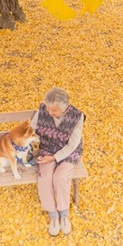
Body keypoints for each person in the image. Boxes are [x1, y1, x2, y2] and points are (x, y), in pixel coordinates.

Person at [30, 87, 84, 237]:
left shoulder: (77, 116)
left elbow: (72, 145)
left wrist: (55, 157)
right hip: (47, 149)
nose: (49, 112)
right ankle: (53, 215)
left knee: (60, 177)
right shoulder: (43, 110)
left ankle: (64, 214)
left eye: (53, 110)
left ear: (65, 107)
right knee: (45, 178)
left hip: (68, 151)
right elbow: (32, 129)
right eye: (48, 108)